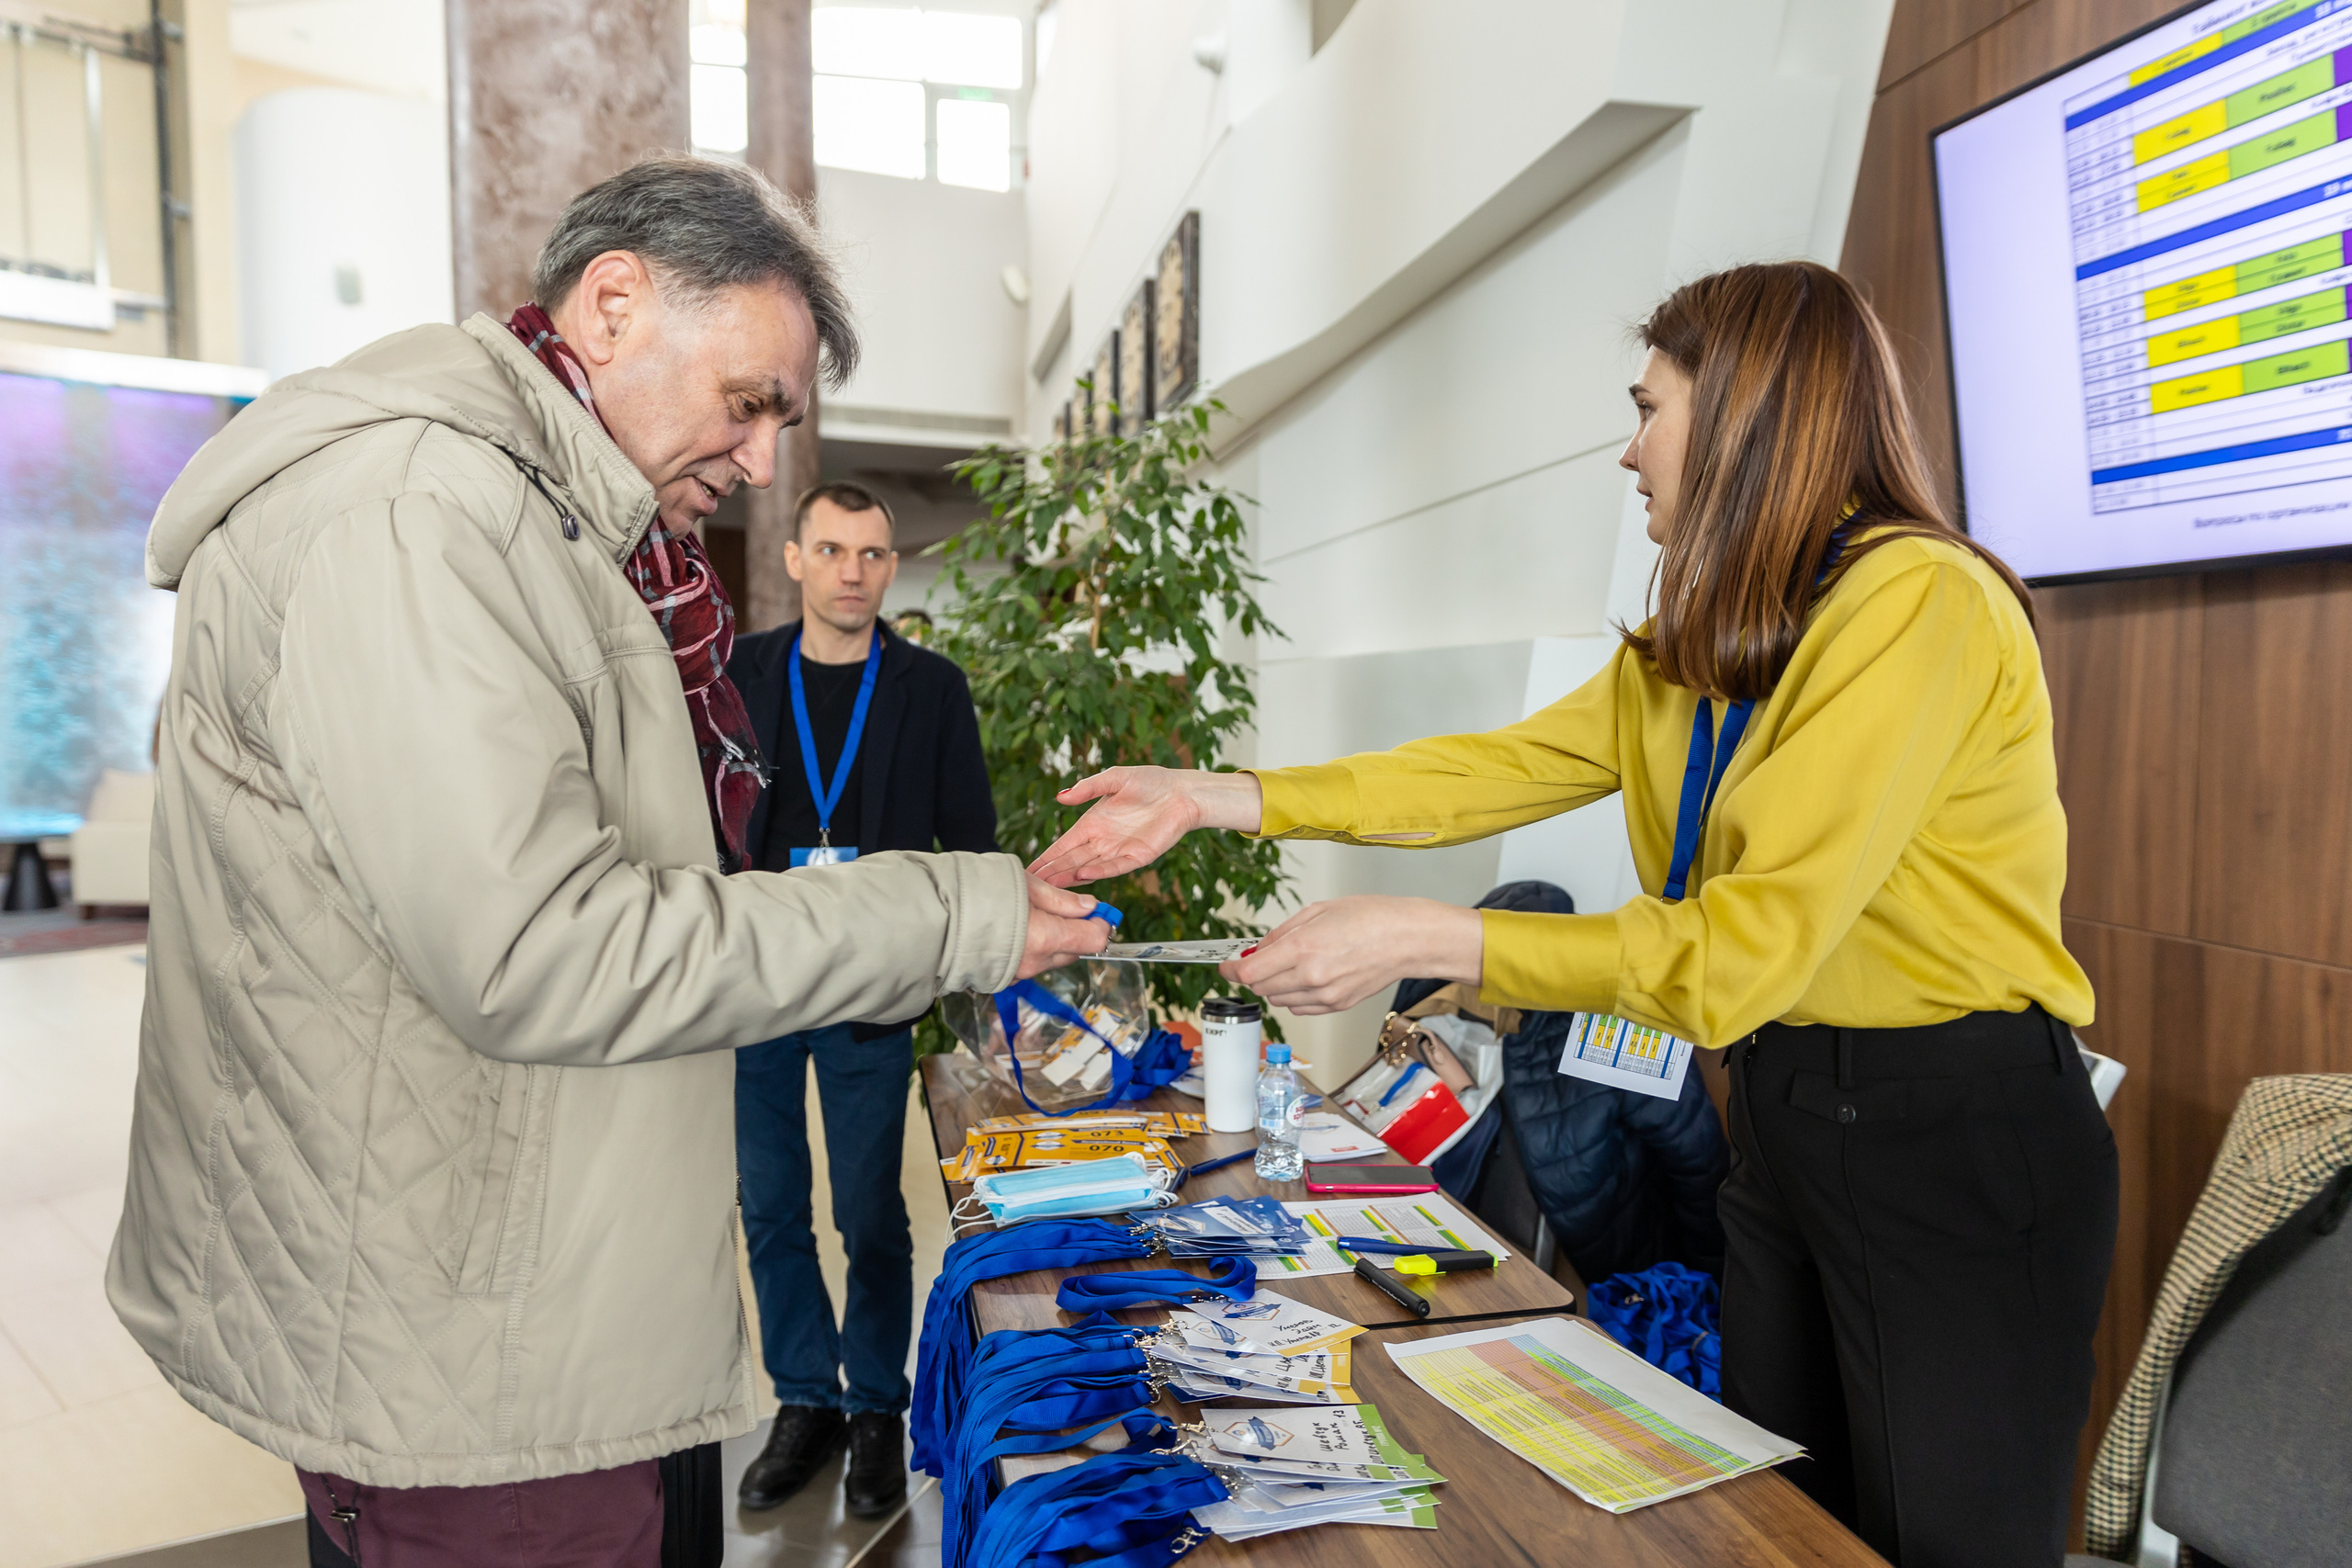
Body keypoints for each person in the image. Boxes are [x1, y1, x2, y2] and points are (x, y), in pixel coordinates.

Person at [1030, 262, 2119, 1568]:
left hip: (1951, 1139)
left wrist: (1429, 936)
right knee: (1786, 1533)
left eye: (1648, 408)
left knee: (1938, 1544)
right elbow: (1488, 766)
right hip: (1784, 1117)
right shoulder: (1701, 641)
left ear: (1746, 419)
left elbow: (1732, 956)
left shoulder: (1916, 603)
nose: (1629, 449)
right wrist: (1227, 794)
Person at [109, 154, 1106, 1568]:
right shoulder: (415, 522)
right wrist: (952, 907)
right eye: (749, 401)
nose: (765, 460)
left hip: (522, 1293)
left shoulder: (557, 526)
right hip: (463, 1350)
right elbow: (539, 951)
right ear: (616, 304)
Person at [722, 481, 995, 1517]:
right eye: (831, 550)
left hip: (873, 985)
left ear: (889, 567)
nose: (852, 571)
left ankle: (874, 1404)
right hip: (757, 978)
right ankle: (806, 1400)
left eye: (872, 555)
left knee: (872, 1213)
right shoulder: (738, 674)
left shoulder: (930, 688)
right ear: (794, 559)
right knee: (771, 1204)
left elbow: (970, 839)